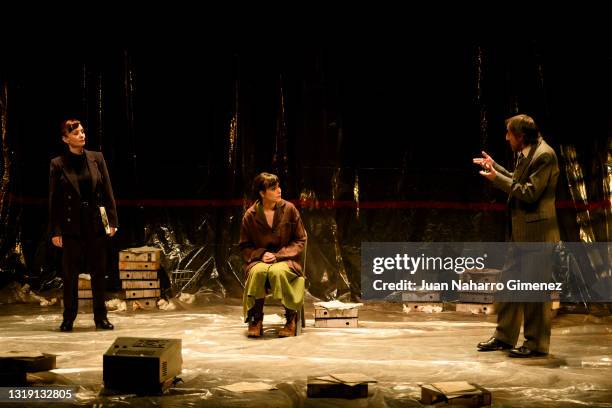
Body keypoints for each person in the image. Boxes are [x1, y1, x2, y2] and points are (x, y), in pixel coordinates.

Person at [473, 114, 560, 357]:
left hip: (538, 235)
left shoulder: (545, 155)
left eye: (509, 133)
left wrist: (495, 179)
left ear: (521, 136)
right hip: (522, 234)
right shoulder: (527, 153)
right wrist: (496, 168)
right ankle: (504, 337)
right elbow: (517, 179)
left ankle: (535, 344)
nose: (506, 137)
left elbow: (529, 192)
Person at [49, 119, 118, 332]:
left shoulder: (96, 158)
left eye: (82, 131)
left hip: (96, 221)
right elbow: (55, 200)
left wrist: (111, 222)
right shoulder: (58, 164)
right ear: (65, 138)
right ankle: (68, 317)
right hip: (72, 225)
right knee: (70, 274)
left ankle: (101, 317)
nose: (81, 135)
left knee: (99, 271)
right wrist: (56, 230)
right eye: (76, 133)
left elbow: (107, 192)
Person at [239, 172, 307, 338]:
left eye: (278, 187)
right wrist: (261, 255)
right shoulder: (251, 215)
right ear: (262, 193)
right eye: (273, 188)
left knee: (277, 271)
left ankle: (291, 318)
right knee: (258, 272)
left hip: (287, 260)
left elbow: (300, 239)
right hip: (260, 260)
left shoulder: (289, 209)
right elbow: (244, 246)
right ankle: (256, 319)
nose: (279, 190)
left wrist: (279, 256)